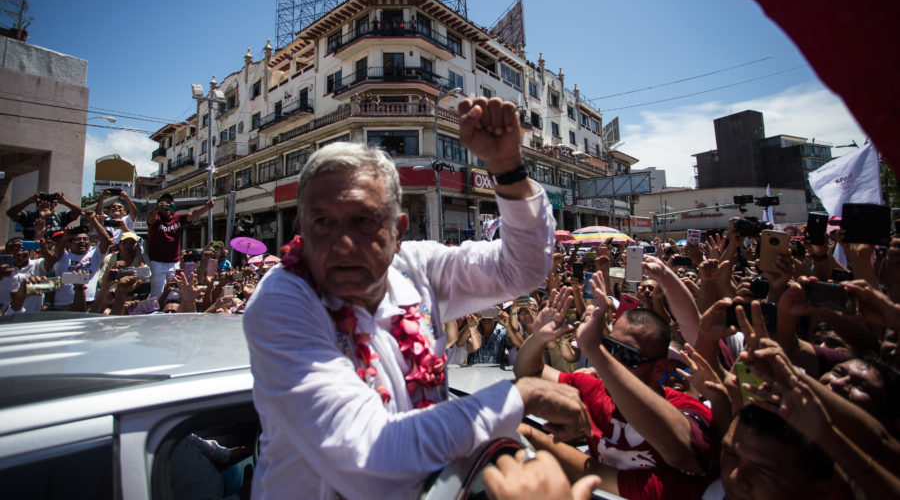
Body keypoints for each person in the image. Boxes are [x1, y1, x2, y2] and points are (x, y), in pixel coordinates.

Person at [243, 96, 590, 500]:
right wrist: (520, 395)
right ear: (300, 228)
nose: (343, 242)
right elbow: (370, 459)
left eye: (364, 220)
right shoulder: (282, 302)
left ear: (398, 229)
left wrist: (507, 168)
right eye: (323, 222)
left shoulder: (416, 268)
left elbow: (524, 269)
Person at [515, 279, 716, 500]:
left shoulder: (685, 408)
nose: (615, 360)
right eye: (611, 348)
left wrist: (596, 352)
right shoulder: (593, 389)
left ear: (660, 369)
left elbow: (682, 451)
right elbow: (530, 373)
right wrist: (538, 338)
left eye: (630, 356)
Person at [146, 193, 214, 298]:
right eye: (164, 203)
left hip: (174, 262)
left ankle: (170, 310)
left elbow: (193, 214)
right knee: (157, 292)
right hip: (157, 262)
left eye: (170, 202)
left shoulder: (178, 218)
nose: (167, 205)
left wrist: (206, 207)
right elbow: (150, 219)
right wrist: (156, 209)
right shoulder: (156, 218)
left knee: (174, 292)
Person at [6, 190, 82, 240]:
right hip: (33, 252)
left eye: (50, 202)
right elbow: (11, 213)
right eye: (42, 201)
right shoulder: (29, 216)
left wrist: (65, 201)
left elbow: (78, 212)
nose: (46, 203)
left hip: (54, 252)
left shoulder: (60, 217)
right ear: (37, 204)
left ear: (55, 204)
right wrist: (28, 201)